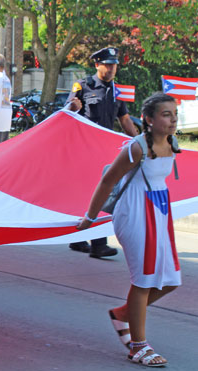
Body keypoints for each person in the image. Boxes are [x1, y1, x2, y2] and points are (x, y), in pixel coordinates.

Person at [77, 92, 181, 367]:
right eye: (166, 115)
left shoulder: (172, 142)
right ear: (148, 119)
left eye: (174, 114)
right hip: (134, 212)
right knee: (144, 279)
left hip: (159, 210)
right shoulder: (137, 147)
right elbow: (108, 181)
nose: (172, 120)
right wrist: (89, 218)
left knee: (171, 279)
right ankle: (138, 346)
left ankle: (124, 313)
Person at [68, 47, 139, 259]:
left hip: (105, 151)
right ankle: (98, 244)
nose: (111, 69)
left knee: (97, 191)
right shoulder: (83, 86)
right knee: (98, 192)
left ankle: (78, 238)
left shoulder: (116, 90)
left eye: (113, 65)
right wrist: (73, 107)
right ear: (97, 65)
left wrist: (139, 141)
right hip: (85, 150)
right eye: (107, 65)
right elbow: (67, 112)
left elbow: (124, 119)